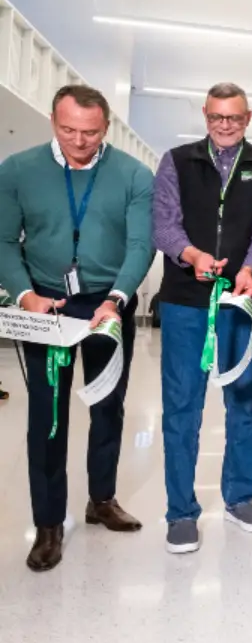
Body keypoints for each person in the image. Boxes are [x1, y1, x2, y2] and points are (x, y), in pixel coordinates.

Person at [0, 84, 154, 572]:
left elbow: (141, 244)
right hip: (45, 303)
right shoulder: (17, 170)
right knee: (47, 414)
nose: (80, 141)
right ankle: (48, 522)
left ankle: (101, 499)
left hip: (107, 304)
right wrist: (25, 295)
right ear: (53, 121)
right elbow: (3, 241)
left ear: (106, 127)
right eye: (68, 130)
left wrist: (117, 299)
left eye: (91, 132)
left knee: (108, 405)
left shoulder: (133, 174)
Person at [152, 82, 252, 554]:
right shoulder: (177, 161)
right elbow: (163, 224)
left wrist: (250, 269)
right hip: (184, 300)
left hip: (241, 299)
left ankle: (239, 498)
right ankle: (180, 512)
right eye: (216, 117)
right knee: (181, 406)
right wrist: (190, 254)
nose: (225, 125)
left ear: (248, 118)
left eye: (233, 117)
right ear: (205, 116)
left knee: (243, 402)